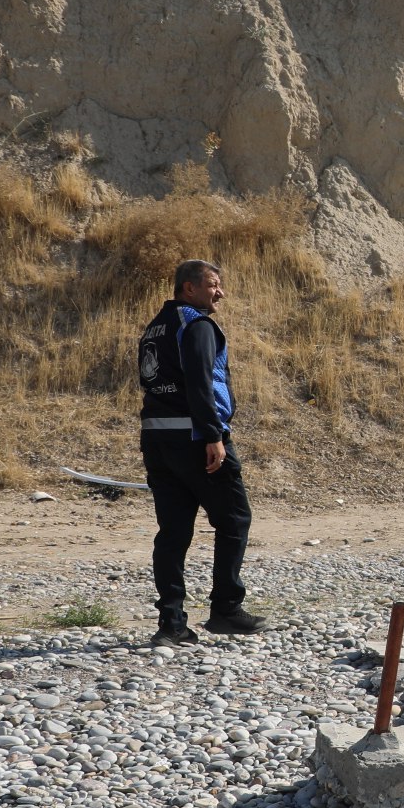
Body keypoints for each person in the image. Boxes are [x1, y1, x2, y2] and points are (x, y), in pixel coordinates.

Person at [138, 259, 262, 647]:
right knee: (234, 519)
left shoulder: (155, 327)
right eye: (212, 285)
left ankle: (171, 624)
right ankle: (225, 609)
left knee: (173, 533)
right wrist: (212, 435)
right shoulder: (197, 325)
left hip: (158, 441)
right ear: (188, 289)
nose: (220, 292)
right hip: (196, 439)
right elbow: (201, 382)